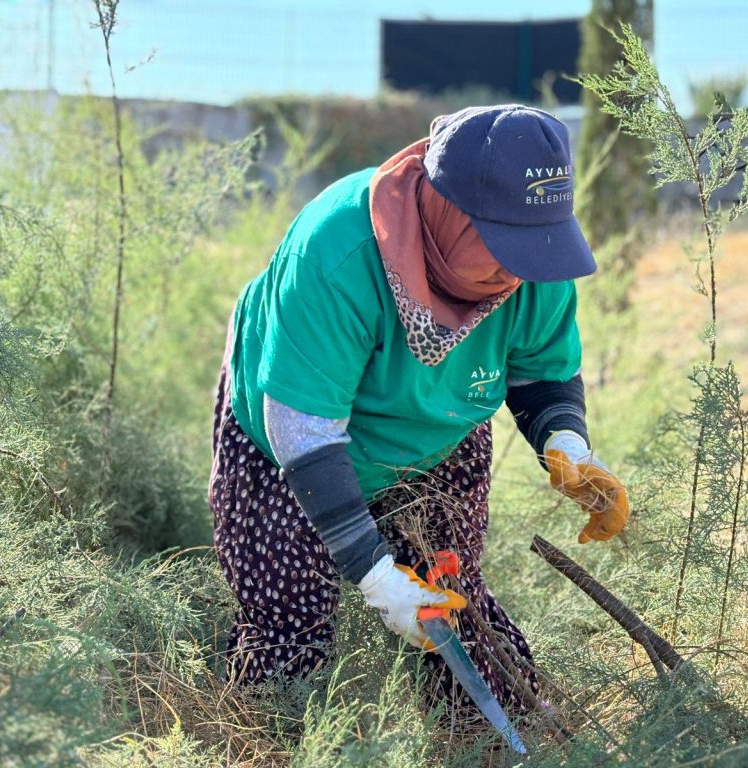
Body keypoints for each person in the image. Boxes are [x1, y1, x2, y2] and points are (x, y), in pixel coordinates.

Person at [207, 104, 629, 715]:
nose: (519, 273)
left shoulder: (535, 261)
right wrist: (375, 575)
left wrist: (566, 443)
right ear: (446, 206)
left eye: (533, 250)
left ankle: (486, 739)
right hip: (293, 441)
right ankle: (277, 734)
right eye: (503, 245)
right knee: (289, 611)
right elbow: (304, 430)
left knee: (449, 598)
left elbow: (542, 368)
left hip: (439, 434)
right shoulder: (336, 251)